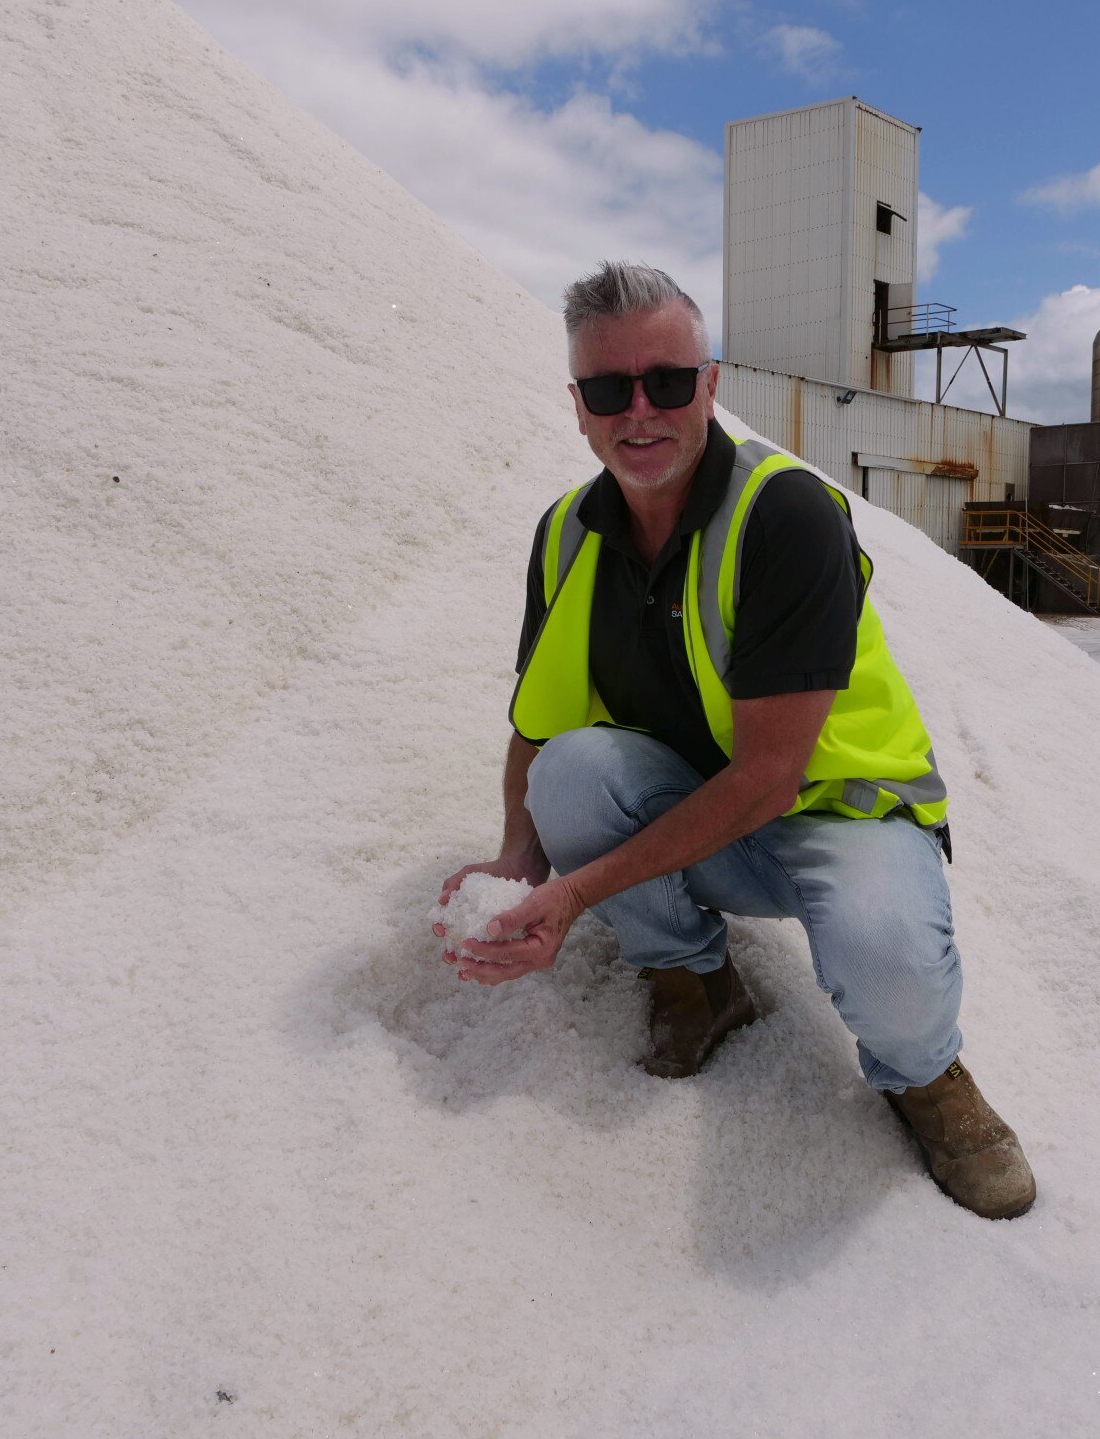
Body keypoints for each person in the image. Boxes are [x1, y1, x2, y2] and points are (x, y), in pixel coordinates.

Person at [434, 261, 1034, 1219]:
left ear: (711, 385)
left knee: (886, 953)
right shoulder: (566, 534)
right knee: (575, 774)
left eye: (669, 381)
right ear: (579, 408)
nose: (642, 411)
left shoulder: (785, 514)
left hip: (843, 816)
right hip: (701, 817)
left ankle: (926, 1079)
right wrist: (517, 857)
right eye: (609, 389)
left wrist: (575, 893)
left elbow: (767, 778)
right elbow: (535, 723)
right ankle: (695, 983)